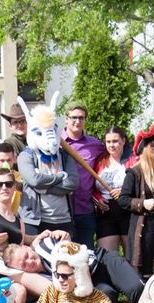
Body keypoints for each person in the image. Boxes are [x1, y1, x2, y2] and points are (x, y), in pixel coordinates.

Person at [2, 236, 144, 303]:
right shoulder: (37, 280)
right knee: (106, 297)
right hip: (91, 283)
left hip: (102, 262)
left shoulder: (44, 246)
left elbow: (79, 264)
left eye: (27, 256)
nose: (30, 261)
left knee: (137, 288)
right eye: (24, 264)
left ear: (27, 248)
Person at [119, 124, 154, 278]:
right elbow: (123, 200)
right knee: (145, 273)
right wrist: (143, 203)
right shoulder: (135, 172)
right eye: (153, 146)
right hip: (143, 228)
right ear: (146, 148)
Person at [17, 98, 79, 238]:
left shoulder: (64, 156)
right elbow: (34, 180)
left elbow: (73, 182)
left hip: (64, 220)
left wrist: (44, 188)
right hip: (35, 222)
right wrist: (59, 177)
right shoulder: (26, 156)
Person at [62, 102, 105, 247]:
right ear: (66, 119)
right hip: (61, 211)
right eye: (73, 117)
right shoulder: (55, 141)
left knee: (86, 254)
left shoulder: (95, 145)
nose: (77, 121)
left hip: (85, 210)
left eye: (81, 118)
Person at [93, 126, 129, 253]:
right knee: (106, 257)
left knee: (134, 259)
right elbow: (92, 186)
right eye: (108, 142)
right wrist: (98, 199)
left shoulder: (133, 159)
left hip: (128, 212)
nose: (111, 145)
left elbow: (141, 185)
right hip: (106, 212)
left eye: (115, 141)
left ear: (123, 141)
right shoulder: (100, 161)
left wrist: (124, 191)